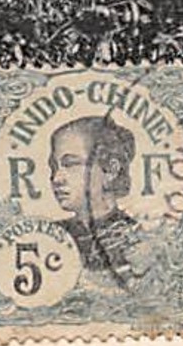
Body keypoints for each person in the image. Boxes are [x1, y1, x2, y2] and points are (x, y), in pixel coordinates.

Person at [48, 116, 141, 278]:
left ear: (111, 170)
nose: (56, 179)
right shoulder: (49, 237)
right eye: (54, 167)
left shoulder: (137, 240)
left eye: (70, 164)